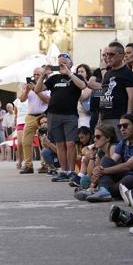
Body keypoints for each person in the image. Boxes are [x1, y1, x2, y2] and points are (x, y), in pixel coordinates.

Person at [35, 53, 87, 182]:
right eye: (60, 63)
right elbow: (37, 89)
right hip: (53, 114)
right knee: (59, 144)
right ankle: (64, 171)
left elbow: (82, 86)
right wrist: (43, 74)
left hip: (70, 115)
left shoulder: (76, 76)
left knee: (70, 143)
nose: (61, 65)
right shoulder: (54, 78)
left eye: (64, 62)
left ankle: (71, 171)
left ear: (70, 63)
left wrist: (69, 73)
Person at [86, 113, 133, 203]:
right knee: (106, 160)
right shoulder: (123, 142)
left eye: (125, 126)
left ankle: (104, 191)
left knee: (129, 179)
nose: (122, 129)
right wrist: (100, 168)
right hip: (127, 178)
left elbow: (128, 166)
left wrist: (102, 171)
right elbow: (112, 161)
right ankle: (104, 191)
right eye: (120, 126)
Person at [99, 42, 133, 139]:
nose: (108, 57)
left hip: (119, 117)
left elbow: (131, 97)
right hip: (104, 117)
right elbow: (103, 96)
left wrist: (127, 118)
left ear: (121, 55)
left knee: (119, 147)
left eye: (111, 54)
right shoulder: (107, 73)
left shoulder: (127, 73)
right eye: (107, 54)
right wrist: (100, 118)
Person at [19, 67, 50, 174]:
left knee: (44, 141)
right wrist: (27, 90)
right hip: (31, 116)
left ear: (43, 75)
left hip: (43, 116)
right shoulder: (30, 86)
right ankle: (28, 165)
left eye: (38, 74)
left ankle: (45, 165)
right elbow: (22, 99)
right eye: (34, 74)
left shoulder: (47, 86)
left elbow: (47, 100)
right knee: (26, 141)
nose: (36, 76)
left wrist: (35, 90)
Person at [13, 96, 29, 169]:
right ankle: (19, 159)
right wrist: (15, 122)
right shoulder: (17, 100)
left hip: (29, 121)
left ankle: (27, 161)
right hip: (20, 122)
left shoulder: (32, 98)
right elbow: (15, 113)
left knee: (27, 143)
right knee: (20, 143)